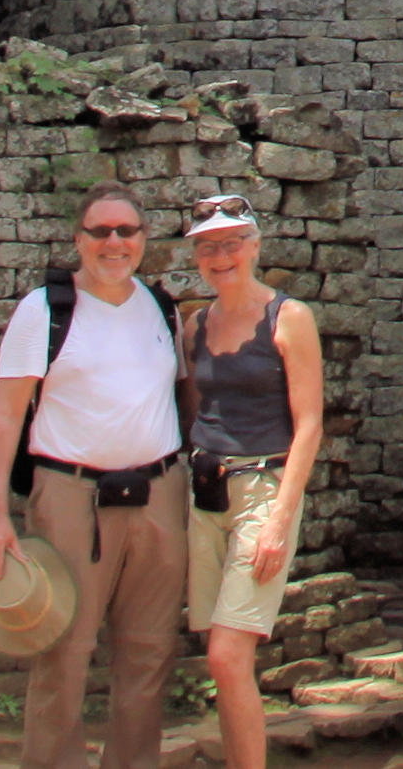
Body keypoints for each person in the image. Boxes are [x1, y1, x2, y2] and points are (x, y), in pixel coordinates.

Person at [0, 185, 188, 769]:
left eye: (127, 231)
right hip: (71, 493)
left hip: (160, 492)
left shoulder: (162, 307)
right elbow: (5, 417)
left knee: (149, 651)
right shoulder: (44, 310)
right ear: (78, 240)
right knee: (64, 650)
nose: (114, 242)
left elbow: (178, 399)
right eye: (101, 231)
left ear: (144, 241)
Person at [177, 191, 328, 769]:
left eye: (233, 242)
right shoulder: (195, 325)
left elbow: (310, 423)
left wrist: (280, 520)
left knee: (225, 655)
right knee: (220, 654)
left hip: (264, 491)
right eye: (209, 247)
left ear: (255, 245)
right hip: (208, 492)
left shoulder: (288, 318)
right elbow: (195, 411)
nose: (222, 256)